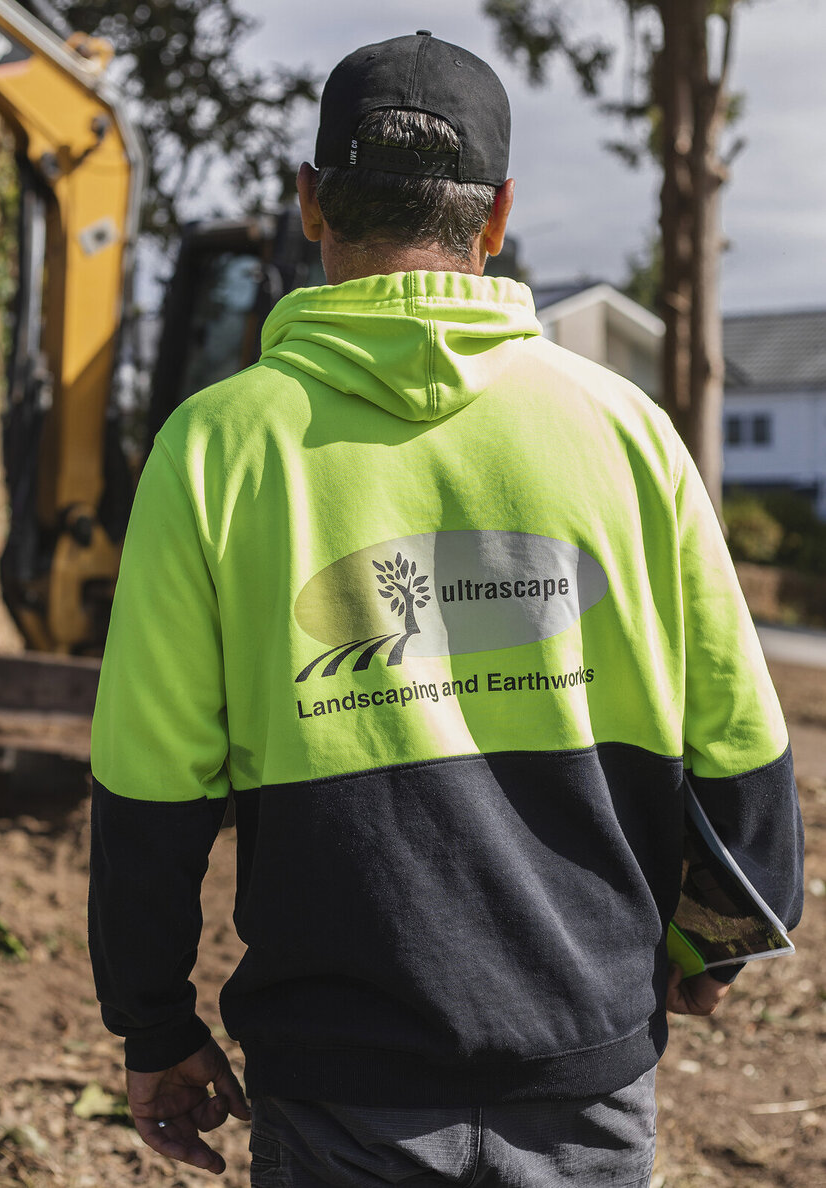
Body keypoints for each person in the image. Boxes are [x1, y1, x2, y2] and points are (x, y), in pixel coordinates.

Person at [88, 31, 804, 1187]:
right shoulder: (626, 437)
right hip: (586, 1072)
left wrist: (154, 1024)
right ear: (499, 210)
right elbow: (747, 761)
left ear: (311, 203)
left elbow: (147, 787)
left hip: (340, 1085)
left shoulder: (215, 448)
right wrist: (704, 949)